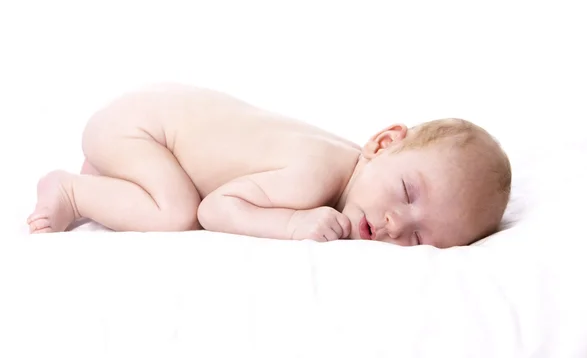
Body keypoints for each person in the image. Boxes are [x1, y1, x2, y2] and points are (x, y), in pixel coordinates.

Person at [26, 82, 511, 247]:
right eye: (408, 193)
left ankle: (112, 176)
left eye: (421, 237)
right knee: (175, 214)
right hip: (139, 128)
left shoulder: (349, 165)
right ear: (384, 143)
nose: (395, 223)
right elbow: (216, 209)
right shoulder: (312, 177)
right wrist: (294, 224)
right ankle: (72, 190)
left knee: (169, 193)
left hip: (147, 127)